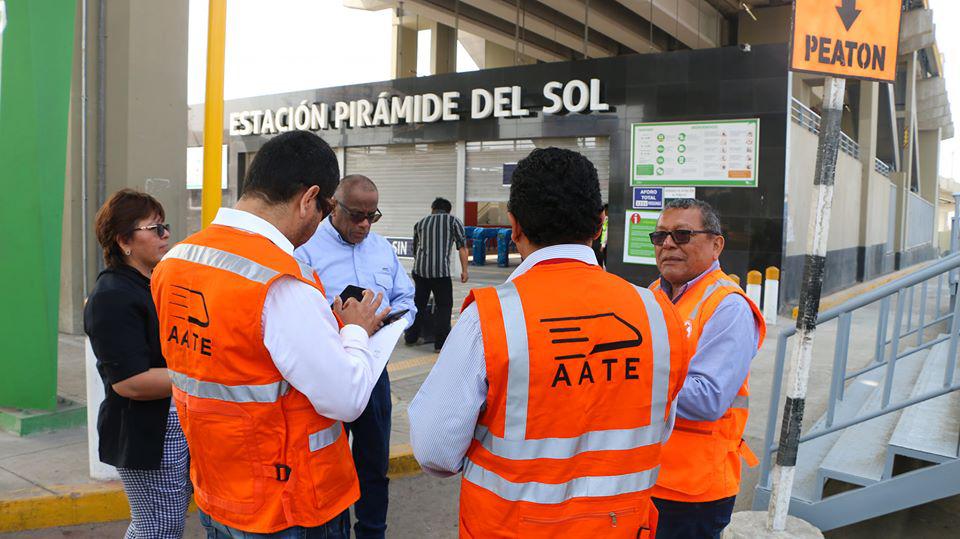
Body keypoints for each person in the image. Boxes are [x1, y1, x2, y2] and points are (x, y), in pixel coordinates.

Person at [408, 147, 691, 538]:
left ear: (515, 226)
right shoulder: (657, 313)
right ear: (598, 224)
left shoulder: (492, 318)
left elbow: (434, 450)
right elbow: (661, 426)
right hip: (623, 527)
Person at [152, 130, 390, 538]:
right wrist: (354, 332)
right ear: (307, 199)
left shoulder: (176, 260)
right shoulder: (281, 283)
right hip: (290, 503)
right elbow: (346, 398)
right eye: (325, 208)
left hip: (219, 491)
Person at [295, 174, 415, 539]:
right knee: (328, 465)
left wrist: (391, 321)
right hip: (328, 373)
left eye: (371, 216)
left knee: (374, 464)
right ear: (334, 206)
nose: (364, 224)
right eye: (357, 215)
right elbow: (298, 309)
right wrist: (343, 322)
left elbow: (406, 301)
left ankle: (372, 532)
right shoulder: (307, 250)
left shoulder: (381, 250)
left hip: (374, 372)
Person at [647, 198, 767, 538]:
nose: (668, 244)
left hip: (693, 491)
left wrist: (629, 378)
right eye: (660, 236)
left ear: (716, 245)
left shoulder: (728, 307)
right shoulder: (653, 295)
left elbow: (707, 399)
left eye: (682, 235)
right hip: (644, 476)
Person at [84, 189, 190, 538]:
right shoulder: (113, 295)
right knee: (157, 527)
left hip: (169, 424)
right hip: (148, 430)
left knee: (164, 525)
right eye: (155, 228)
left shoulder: (151, 282)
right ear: (124, 240)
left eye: (165, 227)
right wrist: (200, 373)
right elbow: (130, 381)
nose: (166, 235)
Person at [403, 197, 469, 351]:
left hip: (420, 271)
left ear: (432, 209)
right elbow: (463, 247)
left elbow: (415, 249)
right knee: (444, 307)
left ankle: (411, 337)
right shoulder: (453, 221)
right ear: (448, 210)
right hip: (441, 274)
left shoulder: (420, 223)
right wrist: (464, 270)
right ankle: (440, 344)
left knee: (418, 304)